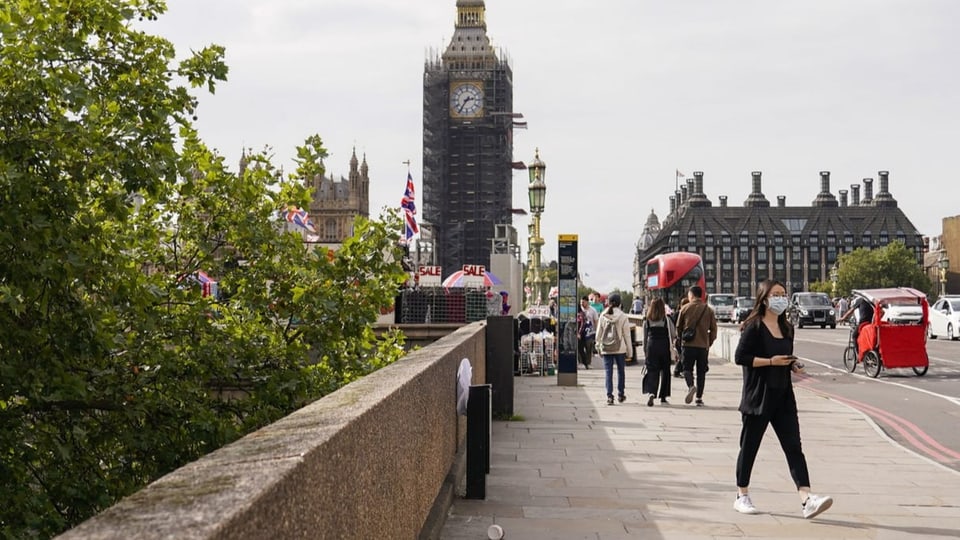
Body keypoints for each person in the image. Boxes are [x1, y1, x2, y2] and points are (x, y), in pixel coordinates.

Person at [732, 279, 834, 519]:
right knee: (749, 447)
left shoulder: (787, 327)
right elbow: (741, 357)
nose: (781, 298)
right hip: (759, 396)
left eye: (783, 293)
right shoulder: (754, 326)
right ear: (764, 298)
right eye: (776, 294)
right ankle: (741, 495)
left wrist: (793, 364)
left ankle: (807, 498)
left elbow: (785, 356)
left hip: (783, 396)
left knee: (794, 447)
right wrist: (770, 362)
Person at [675, 286, 717, 406]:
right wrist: (709, 342)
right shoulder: (708, 310)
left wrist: (680, 338)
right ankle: (699, 397)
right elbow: (714, 329)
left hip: (688, 345)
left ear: (691, 295)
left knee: (687, 368)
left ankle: (691, 386)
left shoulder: (685, 308)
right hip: (703, 346)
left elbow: (678, 327)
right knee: (701, 372)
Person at [595, 293, 632, 405]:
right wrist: (630, 351)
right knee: (621, 371)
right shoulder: (623, 316)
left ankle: (609, 396)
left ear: (609, 302)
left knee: (608, 372)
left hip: (607, 347)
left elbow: (598, 334)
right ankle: (621, 394)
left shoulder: (603, 315)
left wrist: (598, 346)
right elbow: (627, 336)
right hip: (620, 348)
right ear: (620, 303)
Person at [642, 298, 677, 406]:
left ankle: (652, 392)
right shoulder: (666, 319)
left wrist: (645, 351)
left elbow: (644, 337)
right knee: (665, 371)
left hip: (651, 346)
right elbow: (673, 333)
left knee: (652, 370)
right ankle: (663, 396)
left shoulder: (647, 320)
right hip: (664, 346)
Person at [578, 296, 598, 369]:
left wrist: (596, 331)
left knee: (588, 347)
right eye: (581, 303)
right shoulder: (579, 310)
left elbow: (596, 321)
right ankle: (581, 362)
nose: (582, 304)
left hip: (589, 332)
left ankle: (588, 363)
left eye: (583, 302)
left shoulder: (593, 310)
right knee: (580, 347)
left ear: (587, 302)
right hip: (580, 331)